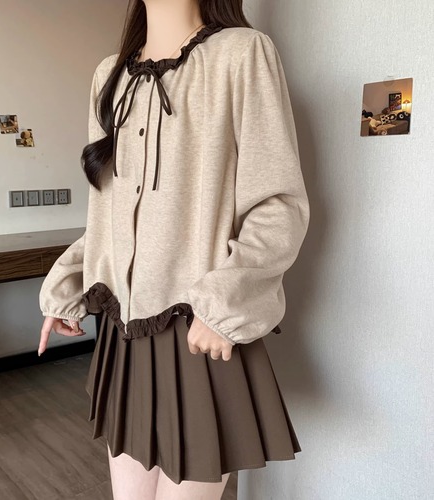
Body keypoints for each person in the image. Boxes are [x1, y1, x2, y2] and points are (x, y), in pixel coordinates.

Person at [38, 0, 310, 498]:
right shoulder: (108, 77)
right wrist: (68, 286)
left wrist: (223, 306)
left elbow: (279, 204)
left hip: (200, 330)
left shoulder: (242, 53)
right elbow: (107, 215)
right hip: (124, 335)